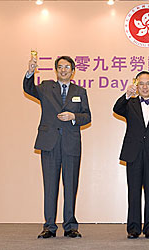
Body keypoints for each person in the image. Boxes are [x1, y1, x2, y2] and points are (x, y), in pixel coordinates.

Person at [23, 55, 91, 238]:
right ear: (56, 70)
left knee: (70, 186)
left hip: (71, 144)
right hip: (50, 143)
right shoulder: (46, 87)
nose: (63, 70)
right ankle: (49, 226)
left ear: (73, 70)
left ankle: (70, 225)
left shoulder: (80, 91)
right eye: (60, 67)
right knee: (50, 186)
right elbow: (29, 89)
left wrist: (74, 117)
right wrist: (30, 72)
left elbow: (87, 116)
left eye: (67, 67)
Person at [113, 71, 149, 239]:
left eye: (148, 83)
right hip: (134, 154)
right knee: (134, 192)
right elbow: (116, 109)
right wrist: (126, 95)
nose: (145, 87)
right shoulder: (129, 104)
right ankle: (133, 228)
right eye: (141, 84)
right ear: (136, 86)